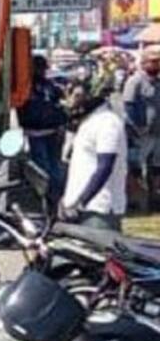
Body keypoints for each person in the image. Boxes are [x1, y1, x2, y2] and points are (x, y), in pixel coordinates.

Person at [60, 72, 128, 231]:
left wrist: (82, 202)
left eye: (78, 96)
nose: (72, 101)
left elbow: (105, 167)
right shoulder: (88, 122)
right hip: (78, 206)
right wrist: (68, 198)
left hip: (99, 208)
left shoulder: (108, 123)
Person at [16, 55, 67, 206]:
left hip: (36, 131)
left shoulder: (26, 86)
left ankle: (45, 196)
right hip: (52, 129)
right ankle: (55, 195)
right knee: (54, 164)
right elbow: (59, 104)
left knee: (42, 167)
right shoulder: (50, 86)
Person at [123, 45, 160, 211]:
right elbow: (128, 106)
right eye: (154, 61)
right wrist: (138, 127)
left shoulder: (157, 82)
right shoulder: (135, 81)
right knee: (135, 168)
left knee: (156, 168)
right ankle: (134, 200)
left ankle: (154, 199)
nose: (157, 64)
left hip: (157, 132)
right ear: (144, 63)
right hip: (140, 134)